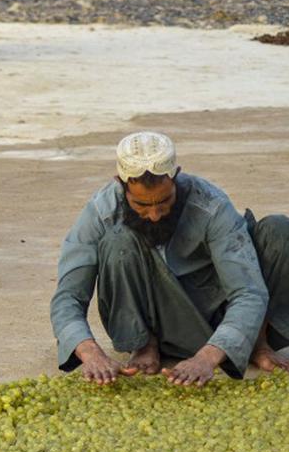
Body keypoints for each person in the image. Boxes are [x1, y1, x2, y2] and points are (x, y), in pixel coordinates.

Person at [50, 131, 289, 387]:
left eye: (165, 201)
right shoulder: (101, 210)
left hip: (219, 311)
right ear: (121, 184)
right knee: (118, 241)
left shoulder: (211, 205)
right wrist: (91, 354)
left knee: (279, 230)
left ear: (175, 177)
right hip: (161, 318)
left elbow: (248, 292)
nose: (154, 214)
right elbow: (68, 296)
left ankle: (255, 343)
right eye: (141, 204)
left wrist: (206, 359)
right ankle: (143, 345)